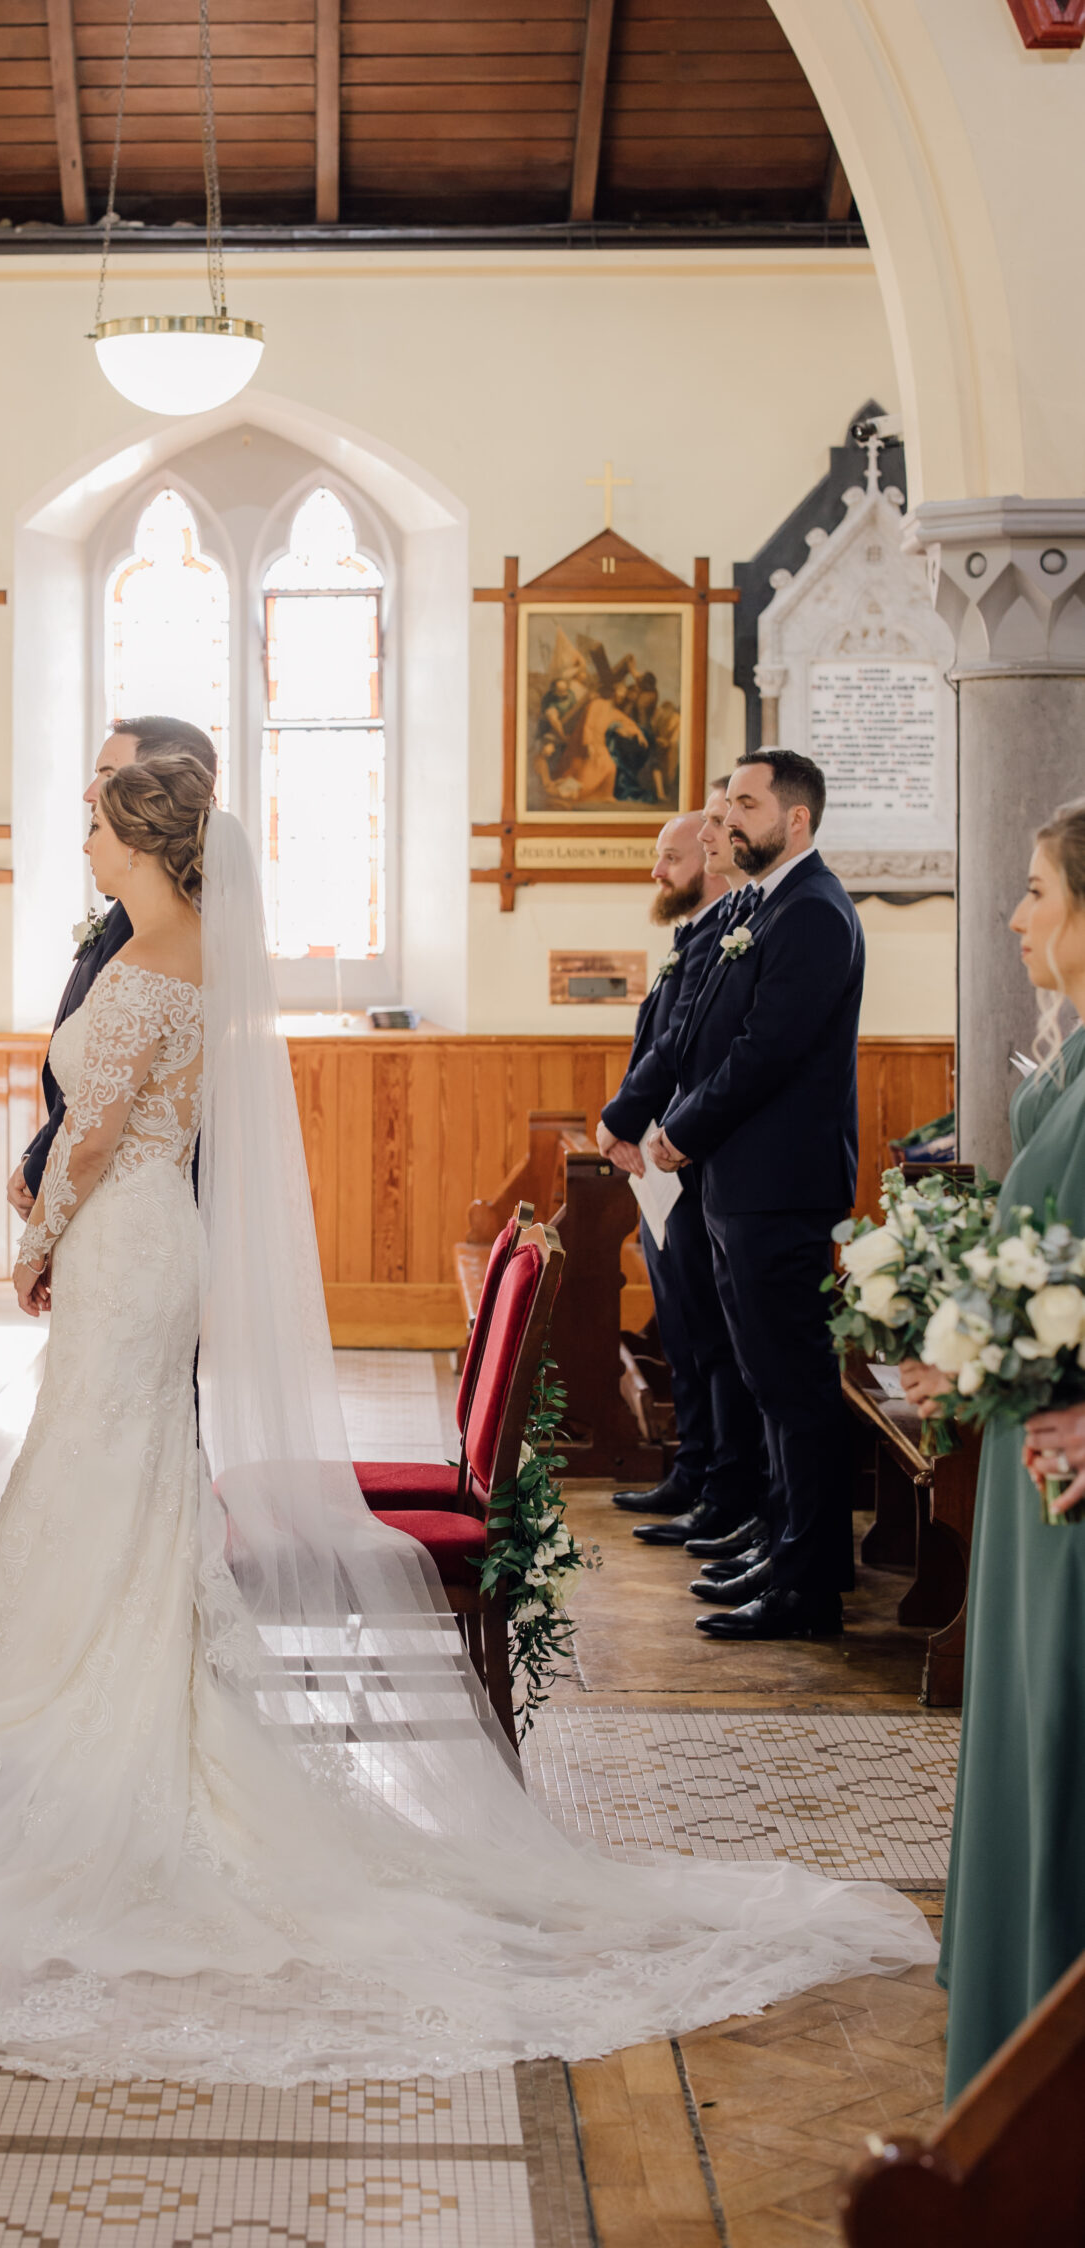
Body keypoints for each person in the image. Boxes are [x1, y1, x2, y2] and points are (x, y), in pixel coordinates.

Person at [0, 754, 931, 2082]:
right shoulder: (188, 956)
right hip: (149, 1241)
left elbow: (99, 1125)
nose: (83, 839)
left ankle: (106, 1748)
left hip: (120, 1242)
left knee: (100, 1482)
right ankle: (128, 1717)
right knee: (120, 1487)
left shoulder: (141, 965)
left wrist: (34, 1238)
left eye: (96, 824)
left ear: (139, 839)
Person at [903, 801, 1085, 2098]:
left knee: (1058, 1741)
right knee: (1018, 1732)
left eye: (1033, 892)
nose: (1015, 916)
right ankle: (1014, 2046)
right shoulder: (1065, 1059)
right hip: (1034, 1452)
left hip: (1069, 1469)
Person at [642, 749, 863, 1640]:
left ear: (795, 820)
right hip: (746, 1185)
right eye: (724, 801)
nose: (722, 819)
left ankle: (808, 1587)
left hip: (779, 1188)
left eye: (742, 803)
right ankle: (782, 1546)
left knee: (794, 1390)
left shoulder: (810, 913)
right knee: (770, 1386)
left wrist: (678, 1130)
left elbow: (764, 1053)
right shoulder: (768, 906)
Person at [7, 713, 217, 1221]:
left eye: (106, 772)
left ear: (157, 790)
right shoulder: (141, 909)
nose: (89, 792)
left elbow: (108, 1088)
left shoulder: (156, 929)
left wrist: (40, 1172)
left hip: (125, 1199)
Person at [596, 806, 730, 1519]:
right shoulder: (694, 936)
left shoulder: (723, 939)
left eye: (670, 858)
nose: (656, 872)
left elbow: (679, 1047)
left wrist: (621, 1119)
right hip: (661, 1160)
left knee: (706, 1336)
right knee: (679, 1327)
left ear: (708, 860)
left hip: (686, 1155)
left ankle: (715, 1482)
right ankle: (694, 1469)